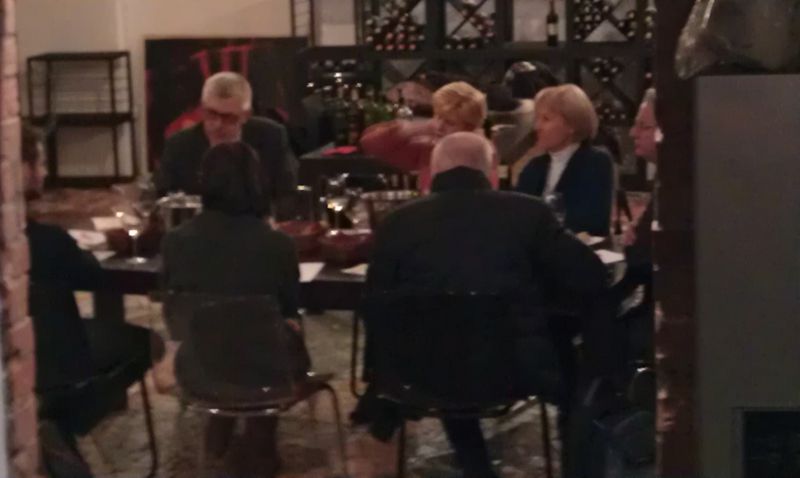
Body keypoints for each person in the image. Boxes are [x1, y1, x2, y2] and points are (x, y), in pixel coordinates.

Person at [358, 132, 624, 477]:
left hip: (420, 374)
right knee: (574, 355)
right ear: (491, 171)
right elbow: (590, 275)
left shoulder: (396, 222)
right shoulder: (528, 213)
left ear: (433, 173)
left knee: (449, 338)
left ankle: (476, 465)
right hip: (514, 369)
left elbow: (375, 302)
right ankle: (581, 463)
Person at [162, 141, 309, 478]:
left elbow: (171, 304)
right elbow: (290, 307)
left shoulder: (175, 240)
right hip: (266, 365)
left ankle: (222, 428)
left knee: (227, 338)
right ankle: (260, 442)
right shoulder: (278, 244)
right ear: (257, 183)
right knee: (273, 336)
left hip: (201, 364)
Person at [23, 125, 161, 456]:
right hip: (58, 362)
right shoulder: (48, 242)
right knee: (148, 343)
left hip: (22, 356)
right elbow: (94, 275)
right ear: (22, 169)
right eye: (40, 163)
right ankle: (65, 422)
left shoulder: (37, 240)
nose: (45, 172)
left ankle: (54, 424)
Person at [154, 71, 298, 209]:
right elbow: (163, 197)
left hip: (258, 223)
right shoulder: (179, 145)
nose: (217, 125)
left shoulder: (271, 136)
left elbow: (288, 193)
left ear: (246, 115)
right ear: (202, 108)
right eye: (211, 114)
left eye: (228, 118)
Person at [360, 81, 497, 193]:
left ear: (470, 127)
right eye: (437, 117)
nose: (438, 126)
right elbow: (370, 144)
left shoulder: (481, 153)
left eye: (449, 123)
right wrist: (422, 127)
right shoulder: (430, 147)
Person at [516, 84, 614, 236]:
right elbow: (518, 216)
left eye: (546, 119)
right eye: (537, 118)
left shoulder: (596, 162)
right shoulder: (533, 167)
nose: (537, 127)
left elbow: (590, 221)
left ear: (571, 125)